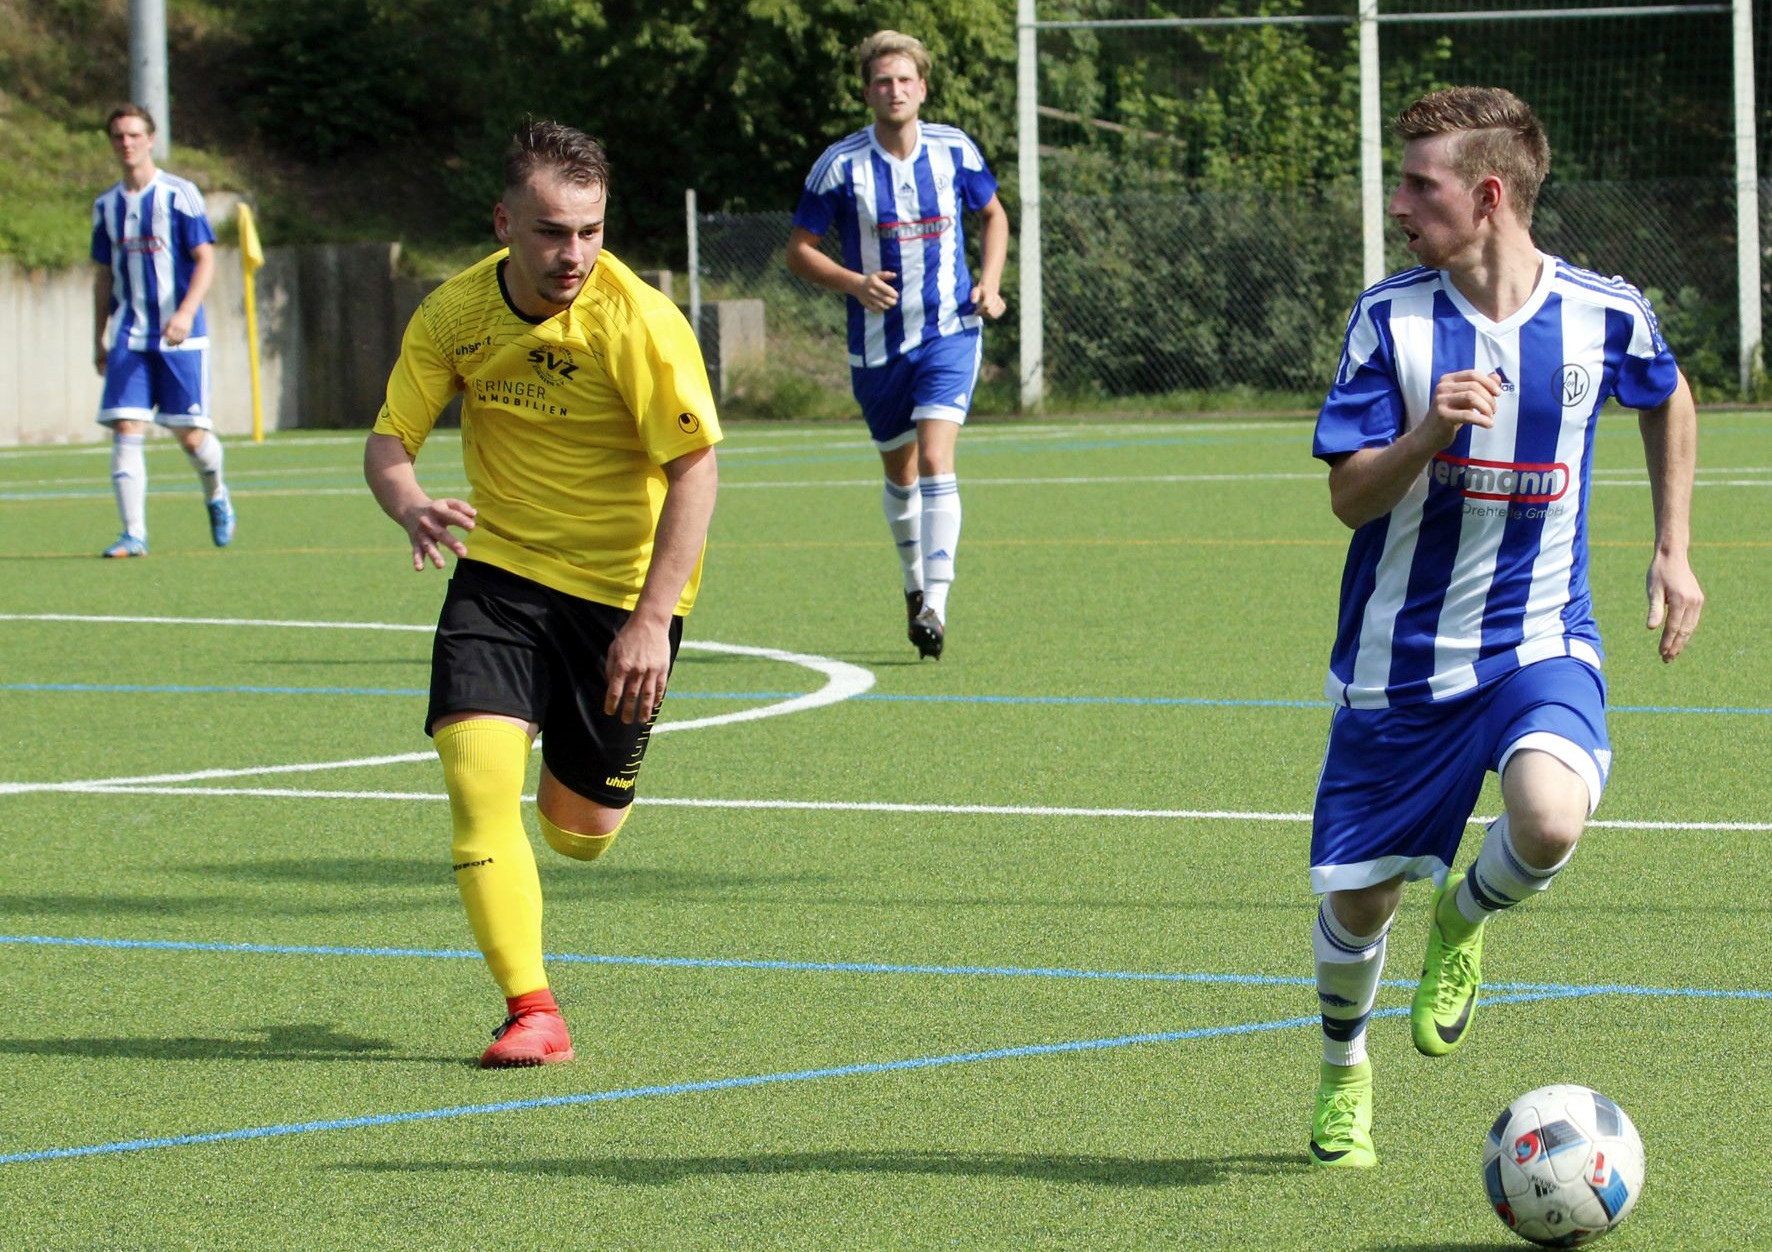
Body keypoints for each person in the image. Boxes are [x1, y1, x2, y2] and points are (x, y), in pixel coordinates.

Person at [1305, 87, 1703, 1168]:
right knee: (1357, 900)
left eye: (1417, 185)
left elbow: (1666, 396)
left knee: (1548, 822)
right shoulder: (1387, 320)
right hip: (1399, 660)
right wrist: (1427, 429)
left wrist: (1668, 548)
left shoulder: (1600, 312)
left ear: (1486, 196)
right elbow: (1348, 499)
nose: (1397, 205)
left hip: (1539, 638)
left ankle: (1464, 917)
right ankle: (1343, 1071)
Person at [364, 120, 721, 1068]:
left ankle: (591, 796)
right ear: (504, 221)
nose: (575, 255)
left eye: (592, 231)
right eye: (553, 232)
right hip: (502, 575)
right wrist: (408, 503)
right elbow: (390, 441)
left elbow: (696, 469)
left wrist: (651, 621)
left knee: (580, 833)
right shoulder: (454, 313)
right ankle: (533, 1010)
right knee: (477, 780)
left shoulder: (638, 320)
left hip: (620, 596)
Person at [786, 29, 1008, 660]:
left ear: (923, 87)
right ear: (868, 92)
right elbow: (798, 252)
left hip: (950, 332)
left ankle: (936, 601)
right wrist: (854, 282)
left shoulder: (954, 151)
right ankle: (913, 585)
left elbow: (994, 215)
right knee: (901, 472)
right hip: (877, 346)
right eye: (883, 81)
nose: (895, 90)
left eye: (905, 80)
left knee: (938, 459)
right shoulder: (841, 166)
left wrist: (989, 285)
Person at [91, 103, 236, 558]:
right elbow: (103, 276)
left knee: (191, 437)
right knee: (125, 427)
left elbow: (206, 258)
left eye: (134, 135)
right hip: (130, 336)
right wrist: (99, 333)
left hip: (181, 337)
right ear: (112, 143)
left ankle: (216, 493)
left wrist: (185, 313)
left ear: (150, 139)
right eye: (118, 136)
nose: (127, 143)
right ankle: (133, 533)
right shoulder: (106, 206)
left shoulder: (179, 194)